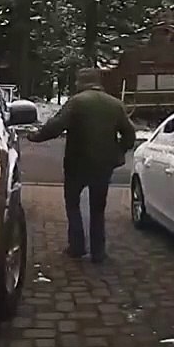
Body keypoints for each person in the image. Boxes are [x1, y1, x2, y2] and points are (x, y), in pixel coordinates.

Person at [28, 68, 136, 263]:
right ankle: (98, 252)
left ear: (81, 82)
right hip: (103, 166)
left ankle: (77, 247)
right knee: (97, 209)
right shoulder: (115, 104)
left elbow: (55, 126)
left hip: (77, 163)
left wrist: (35, 137)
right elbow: (129, 135)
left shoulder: (77, 102)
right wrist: (117, 153)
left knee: (73, 205)